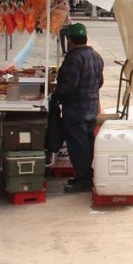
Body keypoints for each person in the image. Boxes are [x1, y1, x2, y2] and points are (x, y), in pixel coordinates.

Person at [50, 22, 104, 194]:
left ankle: (83, 179)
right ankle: (86, 175)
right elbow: (100, 82)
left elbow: (68, 85)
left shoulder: (74, 58)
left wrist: (56, 95)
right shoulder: (96, 56)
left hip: (76, 110)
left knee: (78, 145)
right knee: (88, 142)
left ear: (70, 40)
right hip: (91, 107)